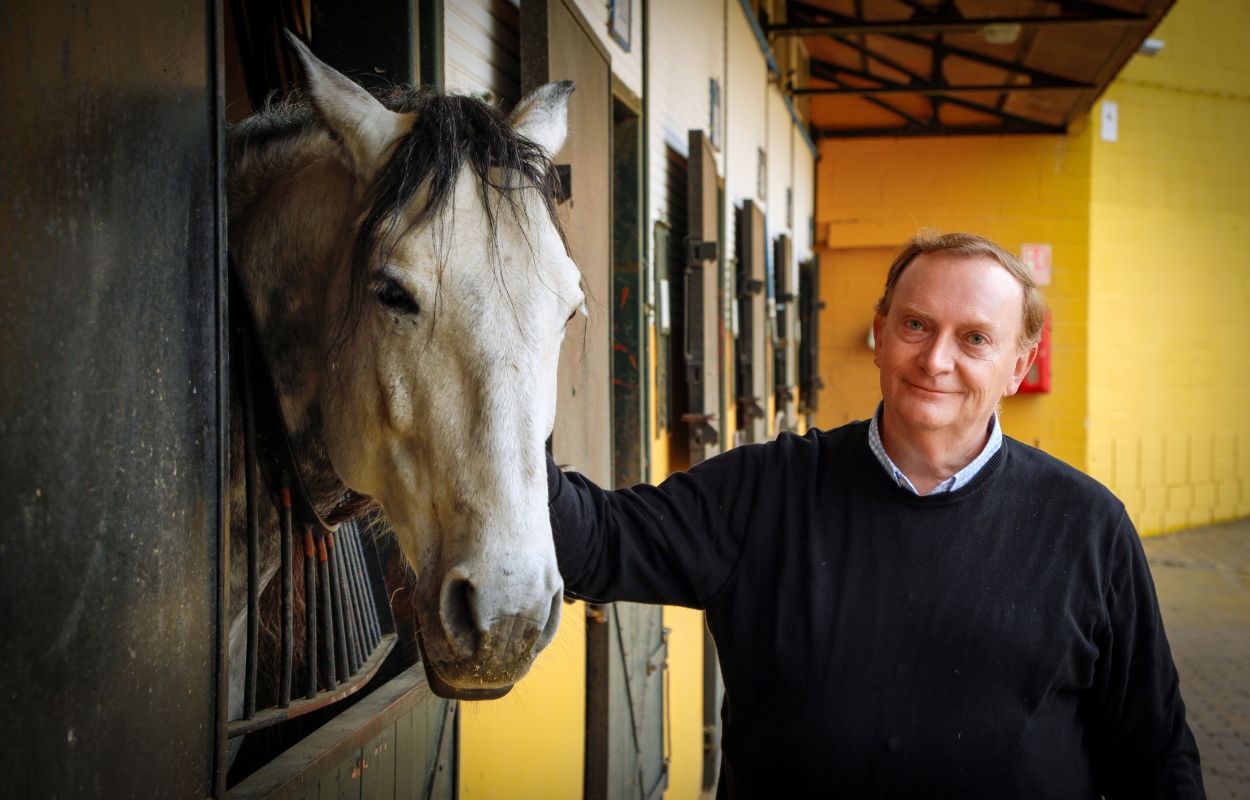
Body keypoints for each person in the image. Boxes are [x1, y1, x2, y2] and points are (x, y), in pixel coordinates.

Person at [546, 231, 1204, 798]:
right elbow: (595, 542)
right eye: (916, 325)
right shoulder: (761, 492)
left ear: (1018, 366)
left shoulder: (1089, 526)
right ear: (880, 332)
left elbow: (1154, 751)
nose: (936, 360)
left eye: (974, 338)